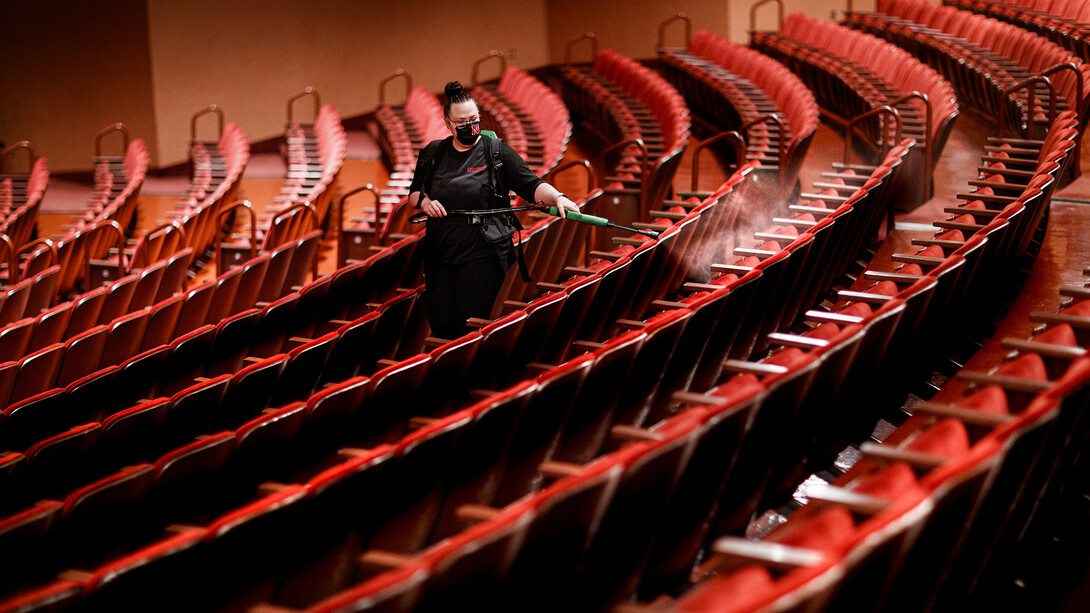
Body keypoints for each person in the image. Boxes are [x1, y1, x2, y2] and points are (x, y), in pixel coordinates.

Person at [407, 81, 579, 339]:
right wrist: (425, 202)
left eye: (474, 119)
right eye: (461, 122)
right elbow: (414, 194)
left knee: (469, 327)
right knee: (441, 326)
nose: (470, 126)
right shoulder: (433, 153)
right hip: (440, 253)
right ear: (448, 124)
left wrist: (558, 197)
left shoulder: (496, 151)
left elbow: (530, 184)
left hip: (483, 251)